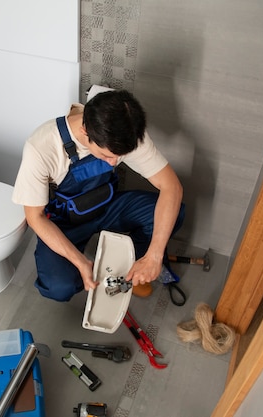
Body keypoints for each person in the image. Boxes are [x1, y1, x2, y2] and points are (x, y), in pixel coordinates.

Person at [12, 89, 185, 302]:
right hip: (66, 222)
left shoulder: (126, 127)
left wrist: (155, 255)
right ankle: (91, 273)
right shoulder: (42, 147)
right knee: (59, 287)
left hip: (107, 205)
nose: (113, 162)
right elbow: (34, 217)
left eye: (119, 156)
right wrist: (80, 262)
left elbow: (172, 187)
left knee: (173, 213)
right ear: (86, 131)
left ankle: (130, 273)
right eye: (106, 155)